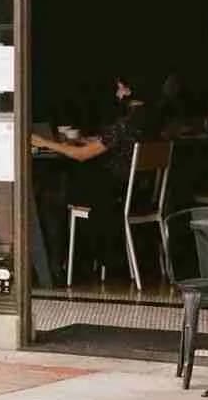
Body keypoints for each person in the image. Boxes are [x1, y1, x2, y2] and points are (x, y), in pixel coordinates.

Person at [31, 75, 160, 281]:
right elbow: (110, 143)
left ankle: (54, 267)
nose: (117, 92)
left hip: (113, 195)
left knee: (51, 196)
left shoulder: (124, 124)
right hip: (138, 193)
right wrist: (85, 140)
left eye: (119, 87)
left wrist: (45, 143)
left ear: (128, 90)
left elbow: (82, 155)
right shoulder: (151, 121)